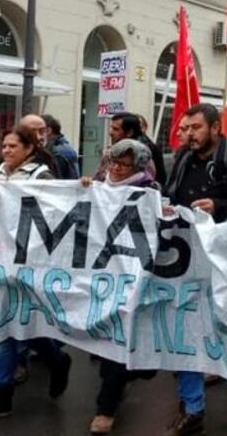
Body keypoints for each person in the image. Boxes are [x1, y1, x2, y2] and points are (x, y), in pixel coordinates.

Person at [0, 127, 72, 423]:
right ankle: (50, 363)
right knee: (8, 327)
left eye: (14, 146)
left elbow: (56, 213)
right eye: (5, 145)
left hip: (30, 262)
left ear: (29, 149)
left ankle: (6, 393)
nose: (7, 150)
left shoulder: (42, 177)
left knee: (15, 325)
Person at [162, 103, 227, 436]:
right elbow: (168, 194)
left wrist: (220, 207)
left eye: (196, 128)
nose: (188, 134)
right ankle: (193, 407)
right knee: (185, 331)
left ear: (216, 128)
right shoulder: (183, 159)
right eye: (185, 129)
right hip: (187, 262)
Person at [81, 139, 160, 434]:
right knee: (103, 341)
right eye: (112, 162)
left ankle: (106, 407)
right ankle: (127, 374)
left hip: (129, 278)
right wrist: (85, 188)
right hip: (98, 276)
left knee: (117, 339)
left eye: (123, 164)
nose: (115, 168)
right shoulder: (100, 185)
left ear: (137, 167)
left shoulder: (148, 191)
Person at [42, 114, 80, 179]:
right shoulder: (66, 147)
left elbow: (55, 179)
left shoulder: (55, 152)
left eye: (40, 131)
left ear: (48, 130)